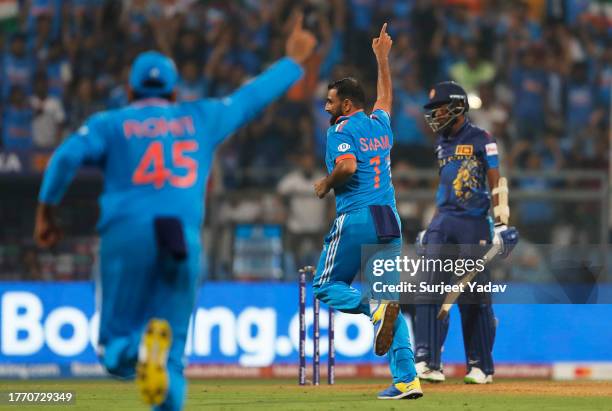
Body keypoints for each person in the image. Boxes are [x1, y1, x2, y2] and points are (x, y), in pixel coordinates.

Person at [33, 16, 316, 411]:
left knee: (115, 353)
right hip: (180, 236)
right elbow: (250, 99)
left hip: (127, 235)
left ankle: (136, 346)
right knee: (173, 361)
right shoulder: (200, 117)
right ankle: (157, 357)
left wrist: (46, 211)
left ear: (130, 89)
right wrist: (292, 61)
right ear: (174, 91)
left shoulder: (110, 123)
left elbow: (64, 158)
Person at [312, 23, 422, 400]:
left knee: (325, 286)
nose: (325, 107)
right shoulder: (379, 124)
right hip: (389, 221)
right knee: (389, 299)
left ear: (345, 104)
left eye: (330, 101)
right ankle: (408, 380)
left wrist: (325, 185)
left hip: (356, 217)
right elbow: (386, 99)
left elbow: (346, 168)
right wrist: (382, 60)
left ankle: (373, 310)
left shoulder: (340, 130)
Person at [414, 81, 518, 384]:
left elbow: (497, 181)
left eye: (439, 108)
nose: (434, 115)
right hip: (444, 221)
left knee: (474, 295)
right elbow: (444, 187)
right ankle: (428, 360)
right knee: (428, 288)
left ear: (458, 106)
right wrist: (431, 226)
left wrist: (501, 223)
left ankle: (480, 365)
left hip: (473, 223)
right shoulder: (441, 144)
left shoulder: (482, 138)